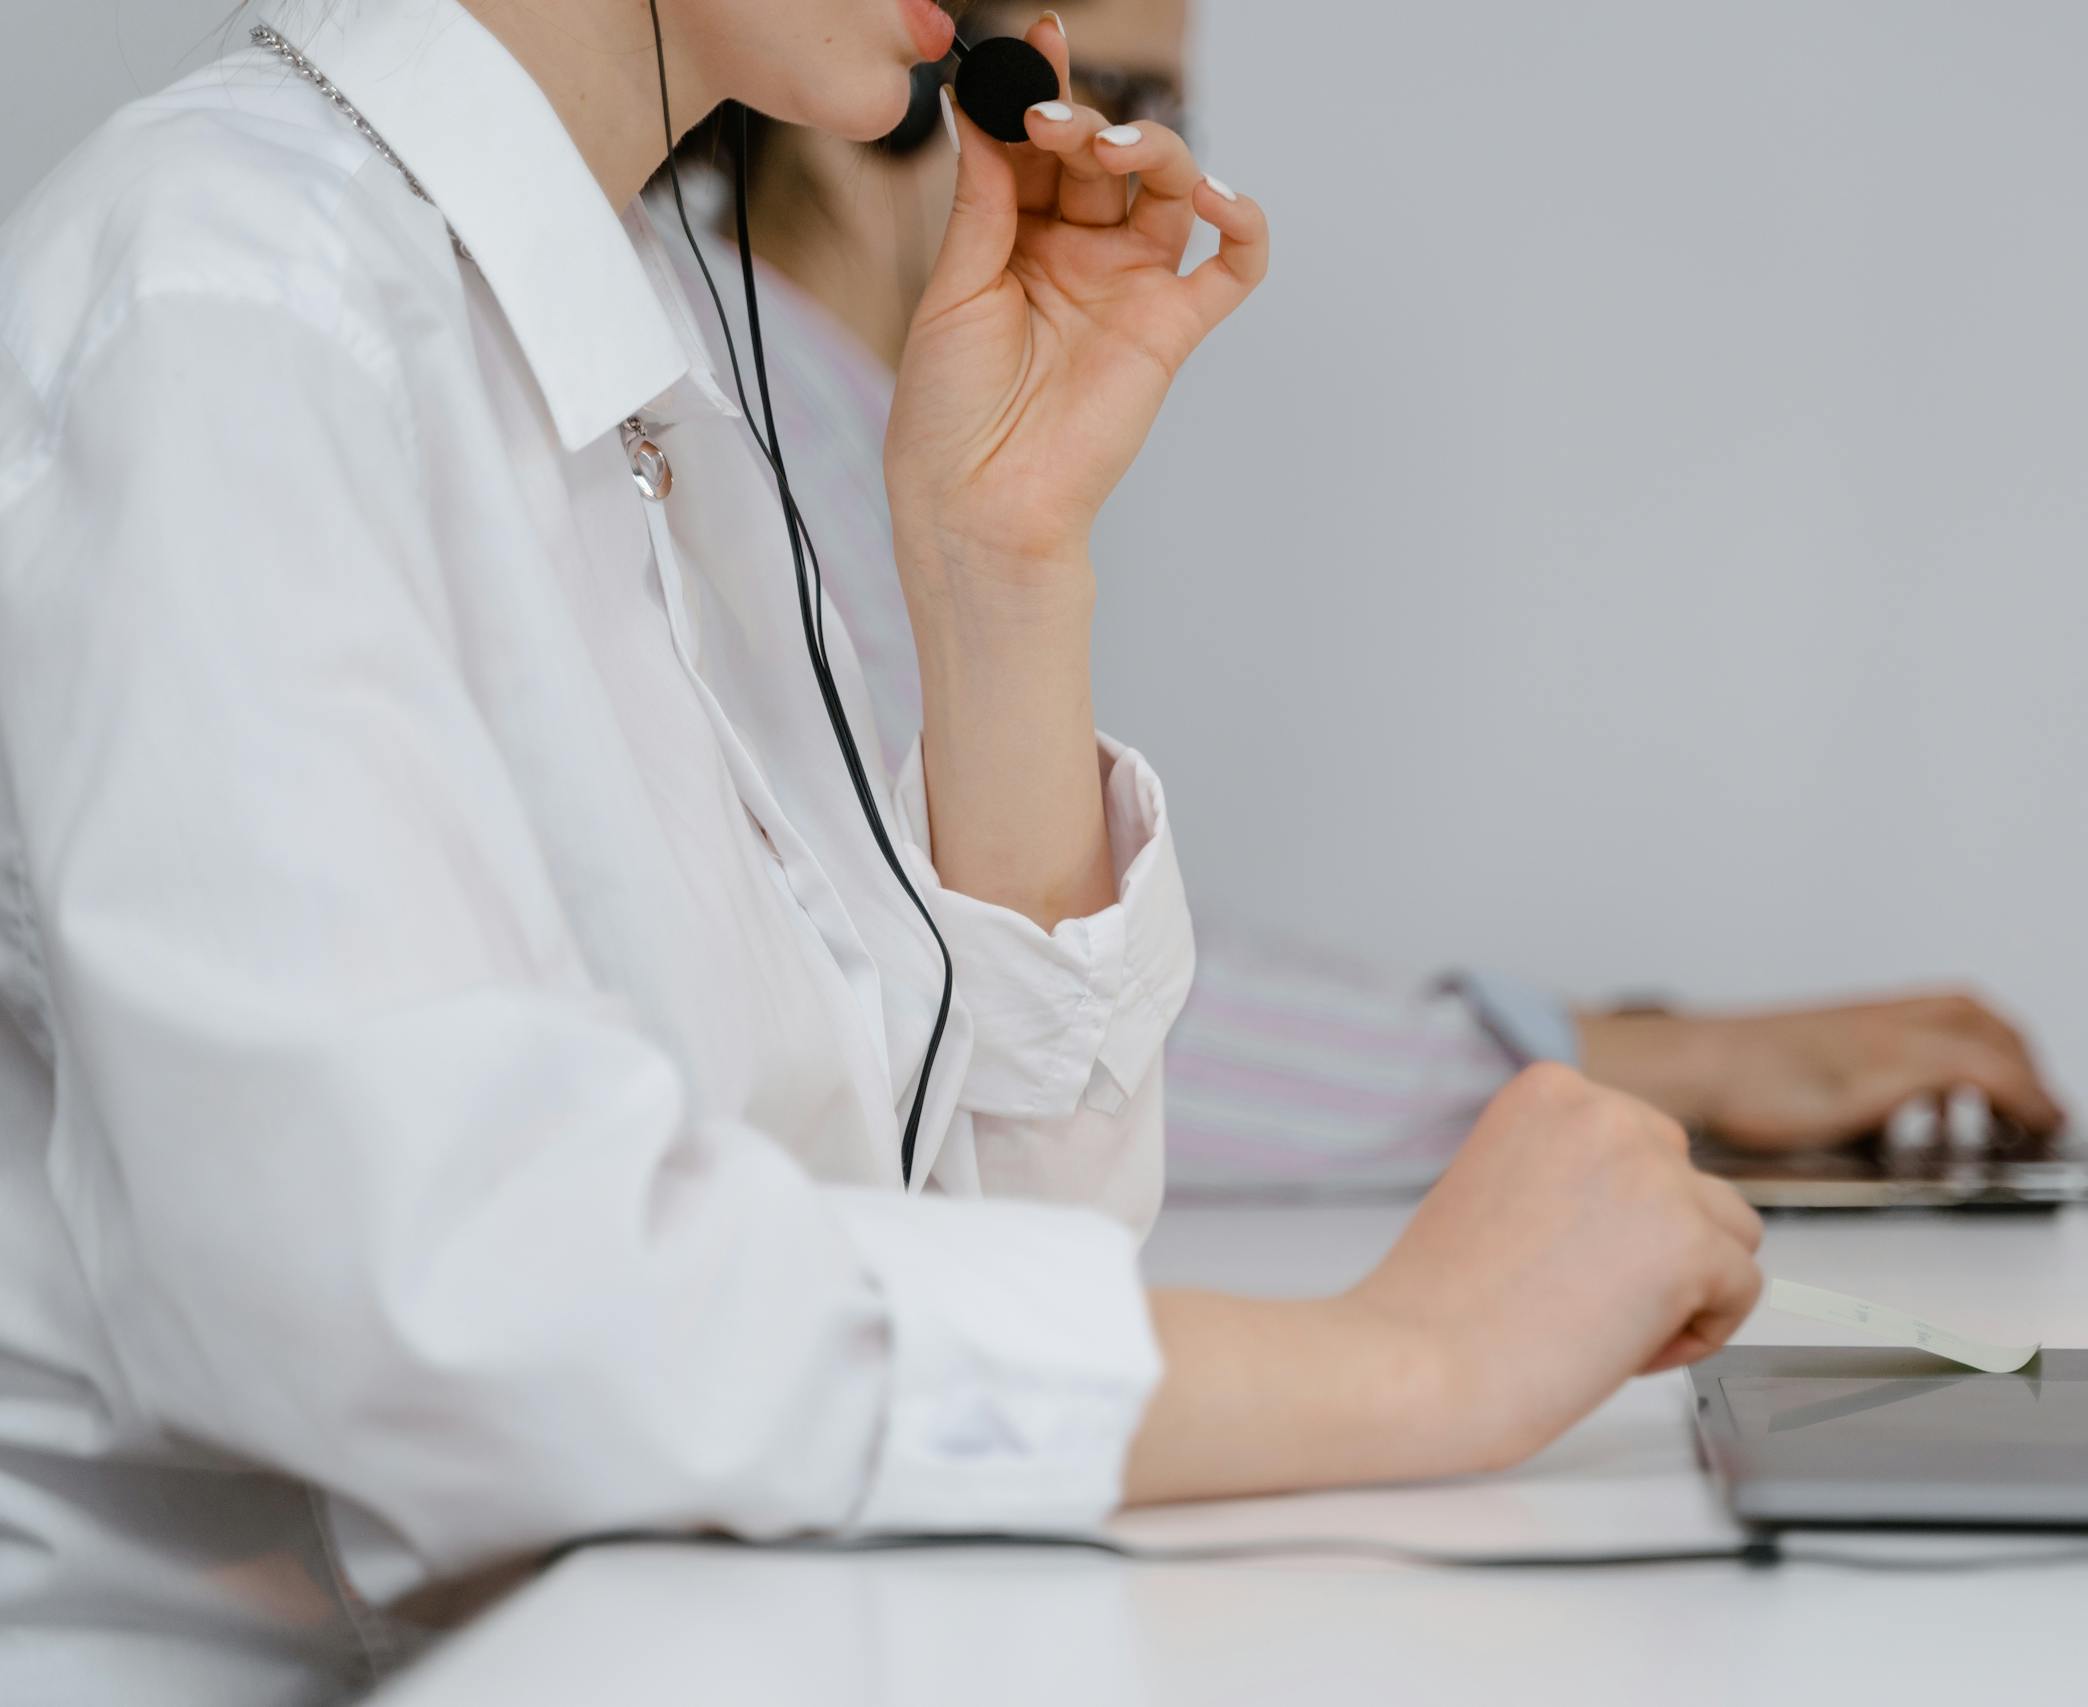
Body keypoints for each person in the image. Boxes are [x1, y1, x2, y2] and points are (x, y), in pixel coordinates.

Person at [0, 2, 1765, 1700]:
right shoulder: (228, 299)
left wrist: (996, 574)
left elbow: (963, 1245)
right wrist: (1409, 1362)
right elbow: (451, 1315)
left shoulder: (643, 362)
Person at [675, 0, 2070, 1197]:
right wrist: (1626, 1062)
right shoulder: (721, 429)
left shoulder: (868, 433)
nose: (1144, 148)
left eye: (1172, 105)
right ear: (923, 93)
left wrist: (1601, 1049)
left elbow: (1042, 980)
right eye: (1117, 88)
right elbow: (945, 1008)